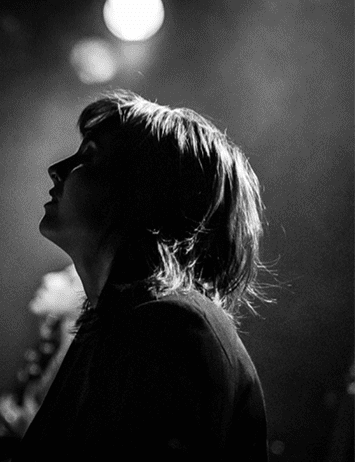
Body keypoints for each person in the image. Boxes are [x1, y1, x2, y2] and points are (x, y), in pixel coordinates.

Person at [16, 90, 269, 461]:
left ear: (143, 189)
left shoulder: (173, 328)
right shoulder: (118, 327)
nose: (58, 168)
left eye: (89, 156)